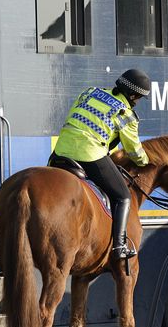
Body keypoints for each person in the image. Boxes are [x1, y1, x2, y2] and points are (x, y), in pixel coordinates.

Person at [51, 69, 151, 260]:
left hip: (61, 150)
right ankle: (119, 246)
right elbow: (133, 151)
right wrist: (146, 160)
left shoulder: (90, 92)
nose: (137, 101)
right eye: (138, 98)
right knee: (123, 197)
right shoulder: (126, 114)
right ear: (132, 94)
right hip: (89, 155)